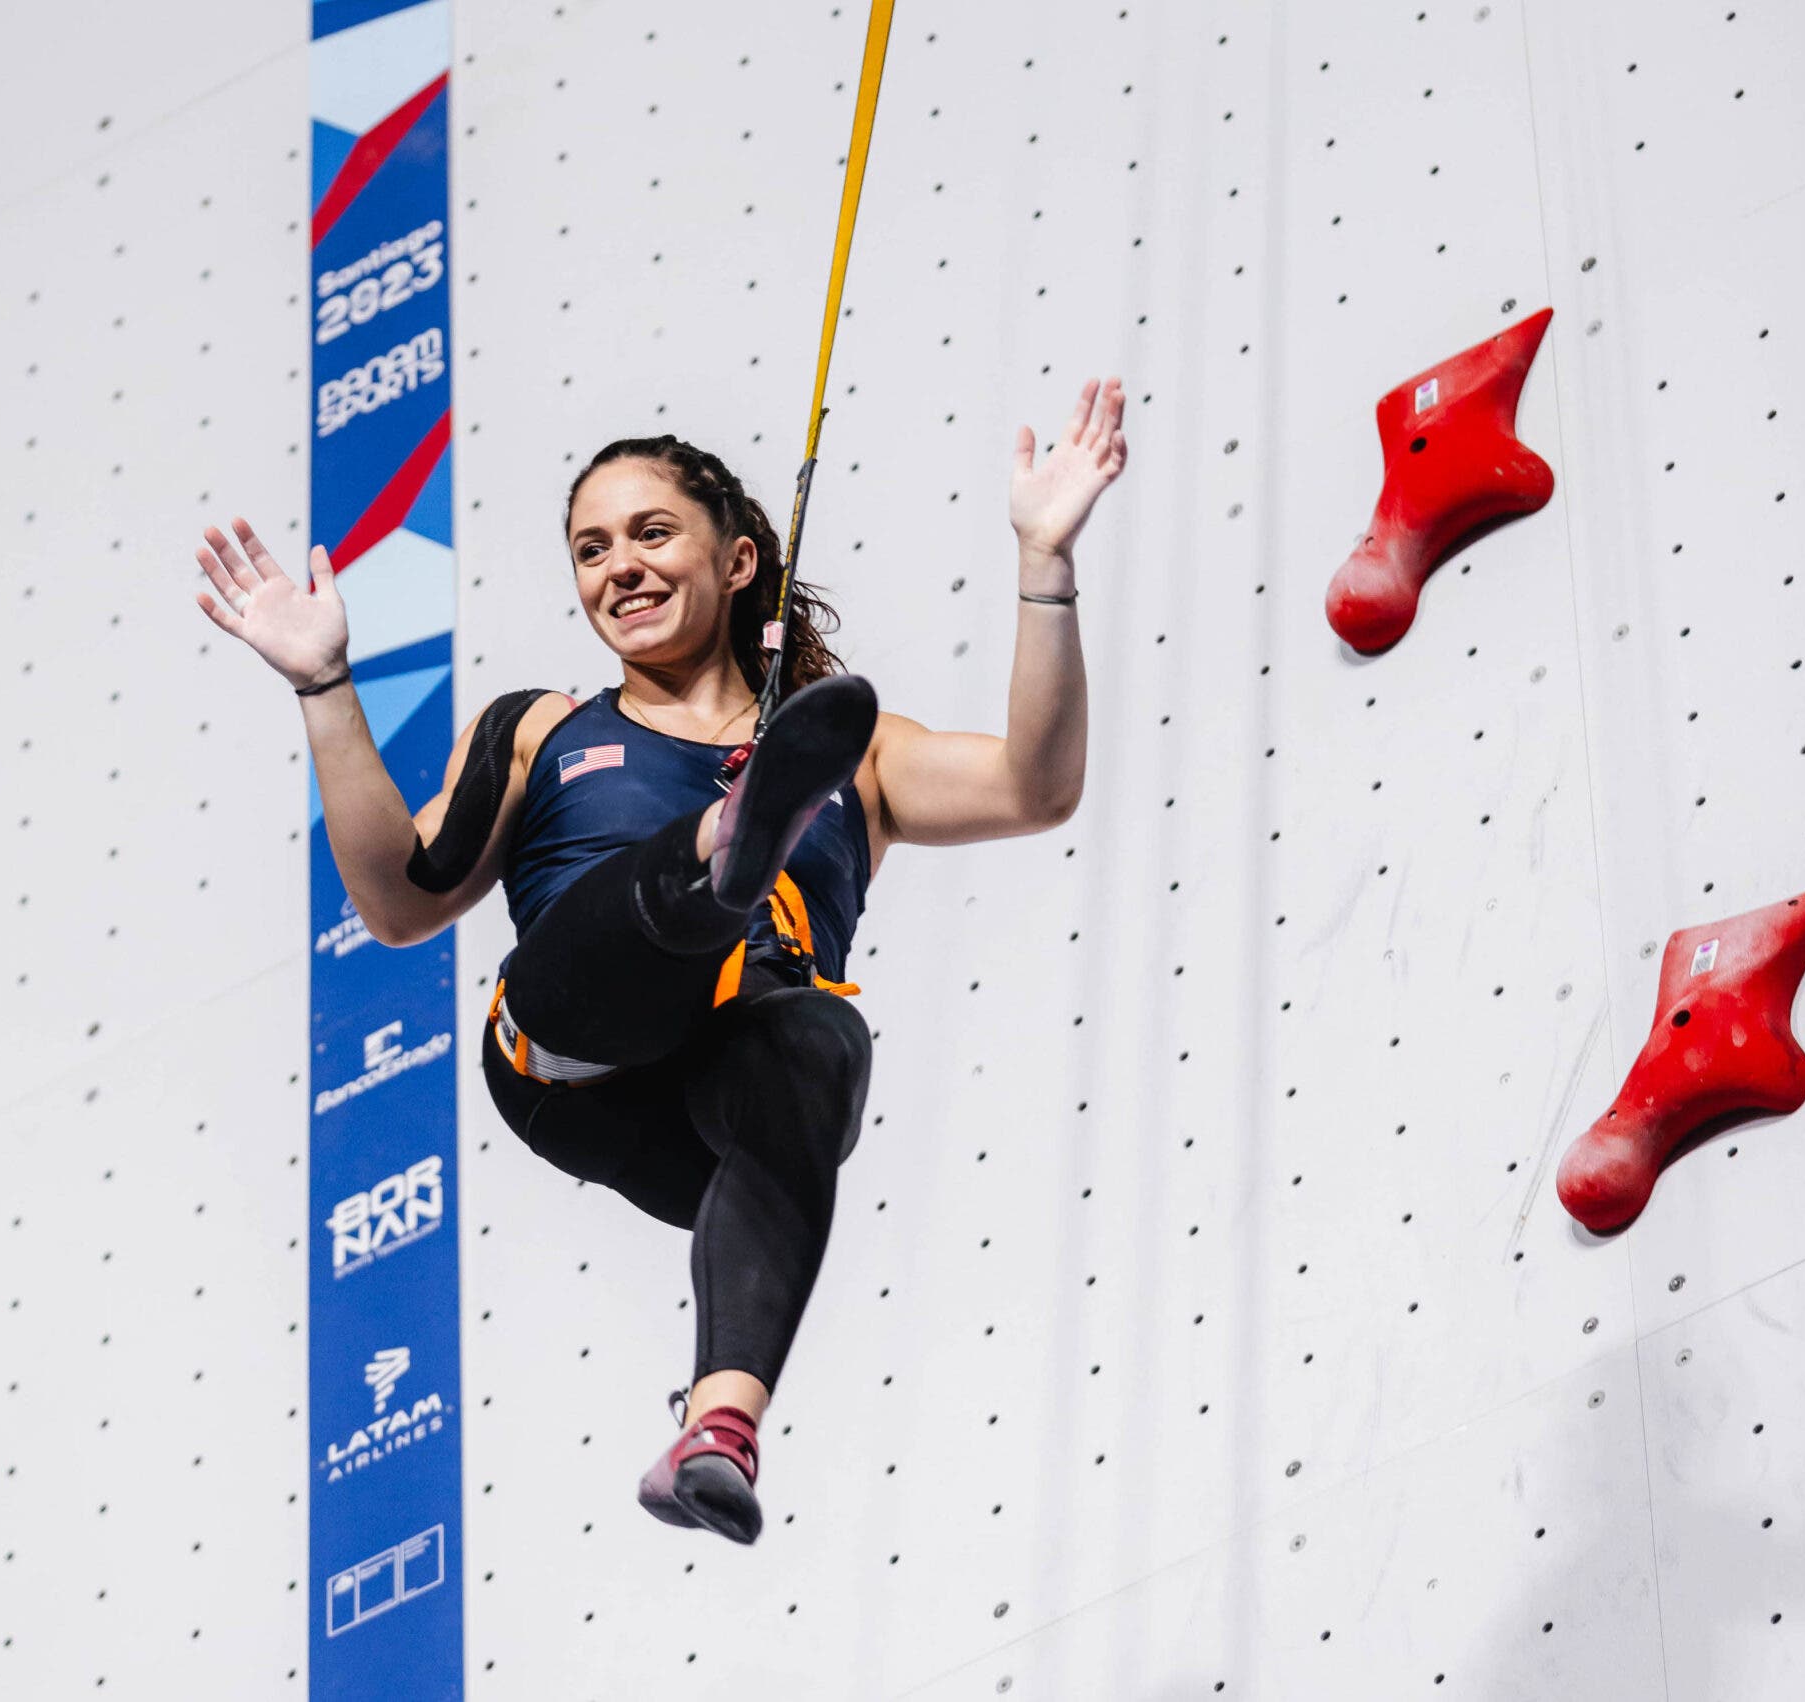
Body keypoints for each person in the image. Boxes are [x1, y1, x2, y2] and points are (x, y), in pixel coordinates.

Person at [195, 377, 1127, 1544]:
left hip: (713, 1119)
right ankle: (716, 859)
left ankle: (716, 1430)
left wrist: (1045, 565)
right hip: (576, 1051)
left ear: (736, 562)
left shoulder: (861, 756)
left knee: (820, 1033)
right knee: (704, 923)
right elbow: (399, 901)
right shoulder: (542, 729)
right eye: (590, 549)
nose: (616, 569)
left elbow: (1036, 787)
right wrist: (324, 685)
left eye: (649, 533)